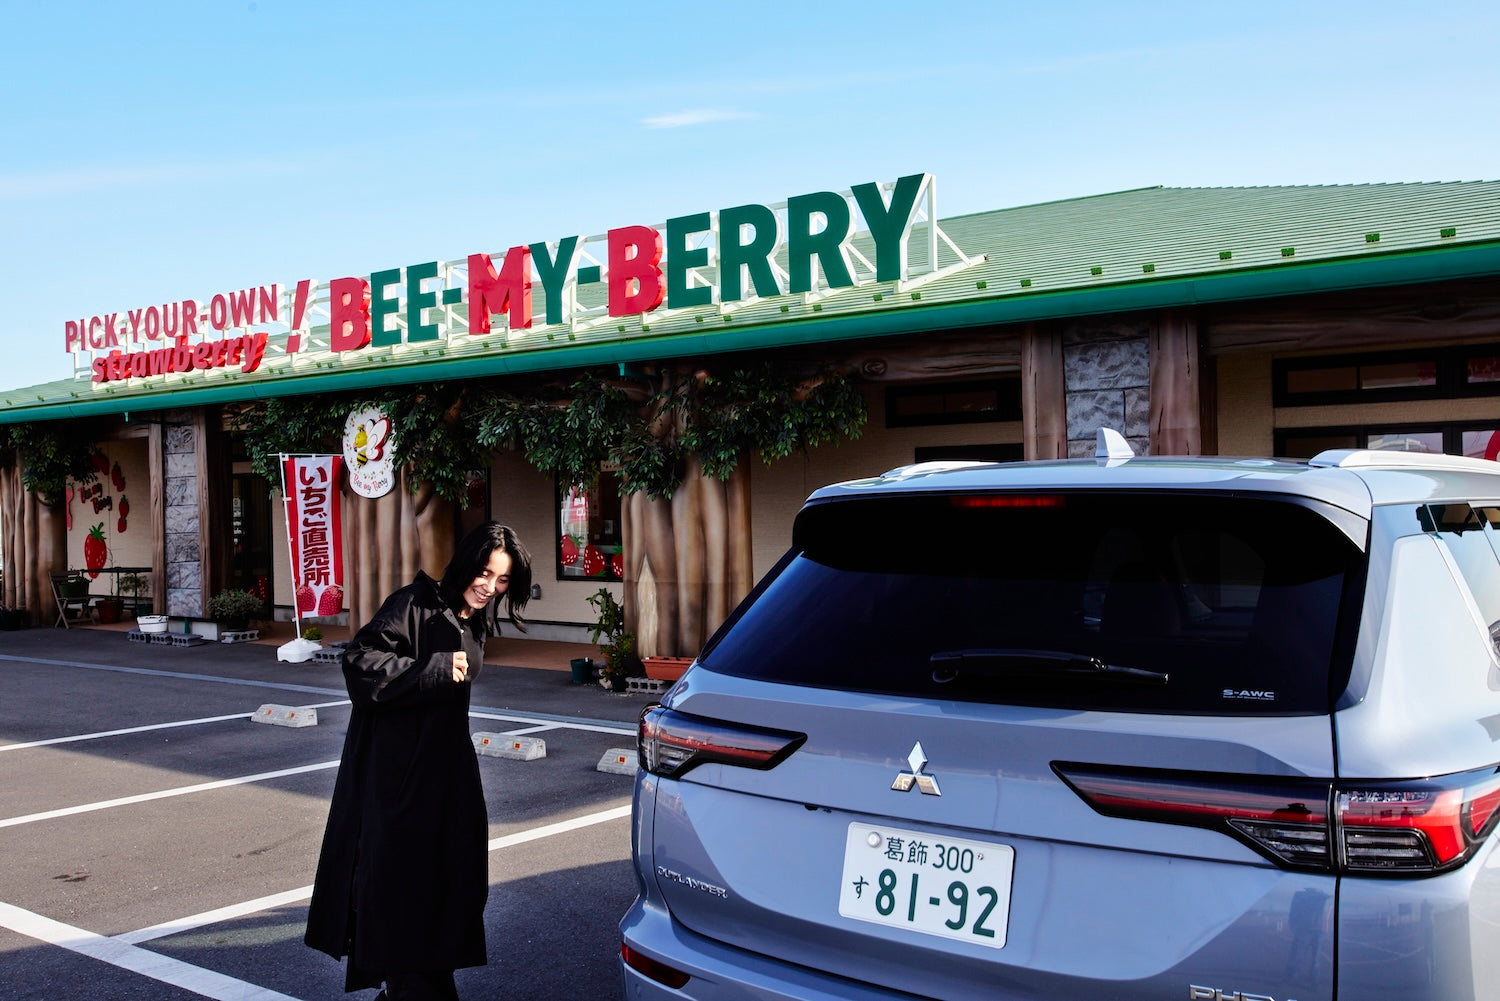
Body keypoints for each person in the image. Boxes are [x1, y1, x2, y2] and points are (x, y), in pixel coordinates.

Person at [305, 522, 533, 1000]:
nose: (490, 587)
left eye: (502, 580)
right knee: (407, 919)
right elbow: (359, 662)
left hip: (445, 787)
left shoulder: (471, 620)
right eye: (485, 574)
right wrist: (432, 669)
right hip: (400, 791)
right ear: (467, 564)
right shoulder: (414, 603)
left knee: (445, 907)